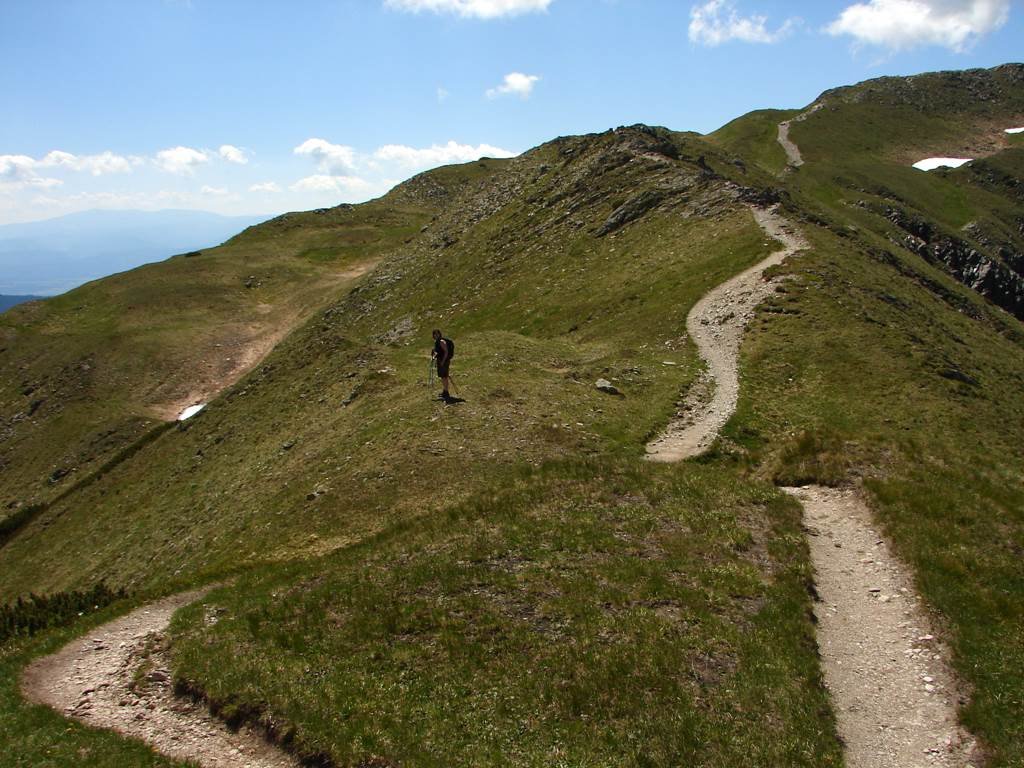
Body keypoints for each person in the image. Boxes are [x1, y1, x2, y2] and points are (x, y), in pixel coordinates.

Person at [432, 329, 454, 401]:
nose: (436, 335)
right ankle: (445, 391)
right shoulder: (437, 342)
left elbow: (446, 352)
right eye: (435, 334)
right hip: (441, 361)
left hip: (443, 361)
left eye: (437, 334)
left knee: (444, 376)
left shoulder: (441, 341)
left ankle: (446, 392)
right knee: (443, 377)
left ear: (439, 334)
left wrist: (443, 361)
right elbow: (439, 352)